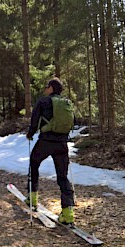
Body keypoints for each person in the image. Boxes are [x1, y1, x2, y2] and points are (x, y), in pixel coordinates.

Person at [26, 77, 75, 224]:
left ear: (51, 88)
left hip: (46, 141)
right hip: (62, 143)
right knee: (62, 176)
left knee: (34, 163)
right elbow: (73, 121)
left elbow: (34, 120)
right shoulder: (66, 103)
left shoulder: (43, 101)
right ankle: (68, 213)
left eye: (47, 86)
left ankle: (32, 197)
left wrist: (30, 133)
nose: (45, 89)